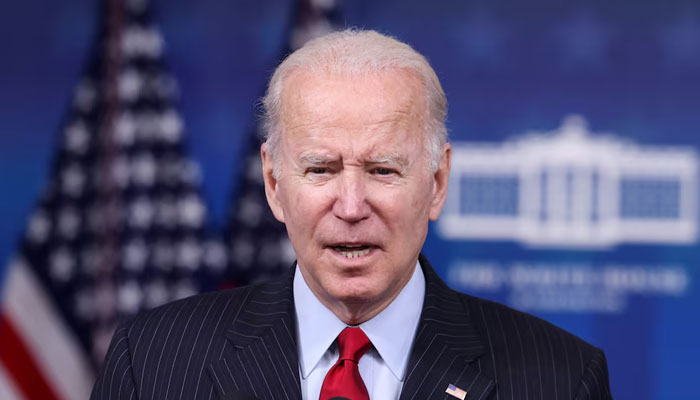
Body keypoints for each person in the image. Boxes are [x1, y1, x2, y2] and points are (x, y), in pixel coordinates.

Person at [92, 29, 612, 400]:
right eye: (320, 169)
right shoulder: (154, 362)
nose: (351, 206)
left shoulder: (560, 378)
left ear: (436, 182)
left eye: (383, 170)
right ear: (274, 184)